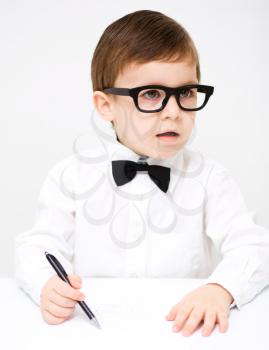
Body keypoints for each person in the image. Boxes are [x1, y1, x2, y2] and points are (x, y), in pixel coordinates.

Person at [14, 9, 269, 337]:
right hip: (92, 332)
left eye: (186, 92)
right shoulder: (71, 175)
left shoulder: (210, 179)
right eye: (152, 94)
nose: (174, 112)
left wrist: (221, 288)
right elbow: (36, 247)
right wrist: (46, 285)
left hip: (183, 331)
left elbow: (255, 246)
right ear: (106, 106)